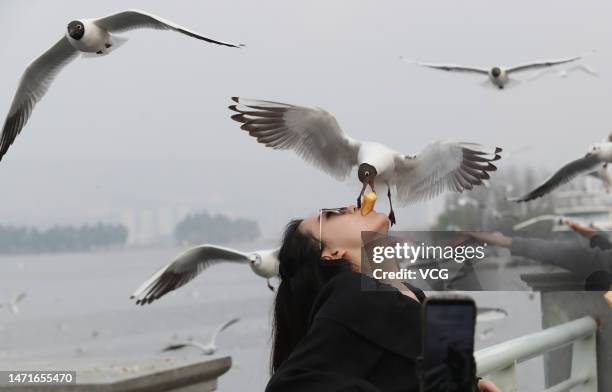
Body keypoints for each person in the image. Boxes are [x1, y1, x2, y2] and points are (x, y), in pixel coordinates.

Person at [266, 205, 500, 392]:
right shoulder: (351, 296)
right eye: (329, 215)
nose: (349, 206)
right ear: (331, 253)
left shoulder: (407, 296)